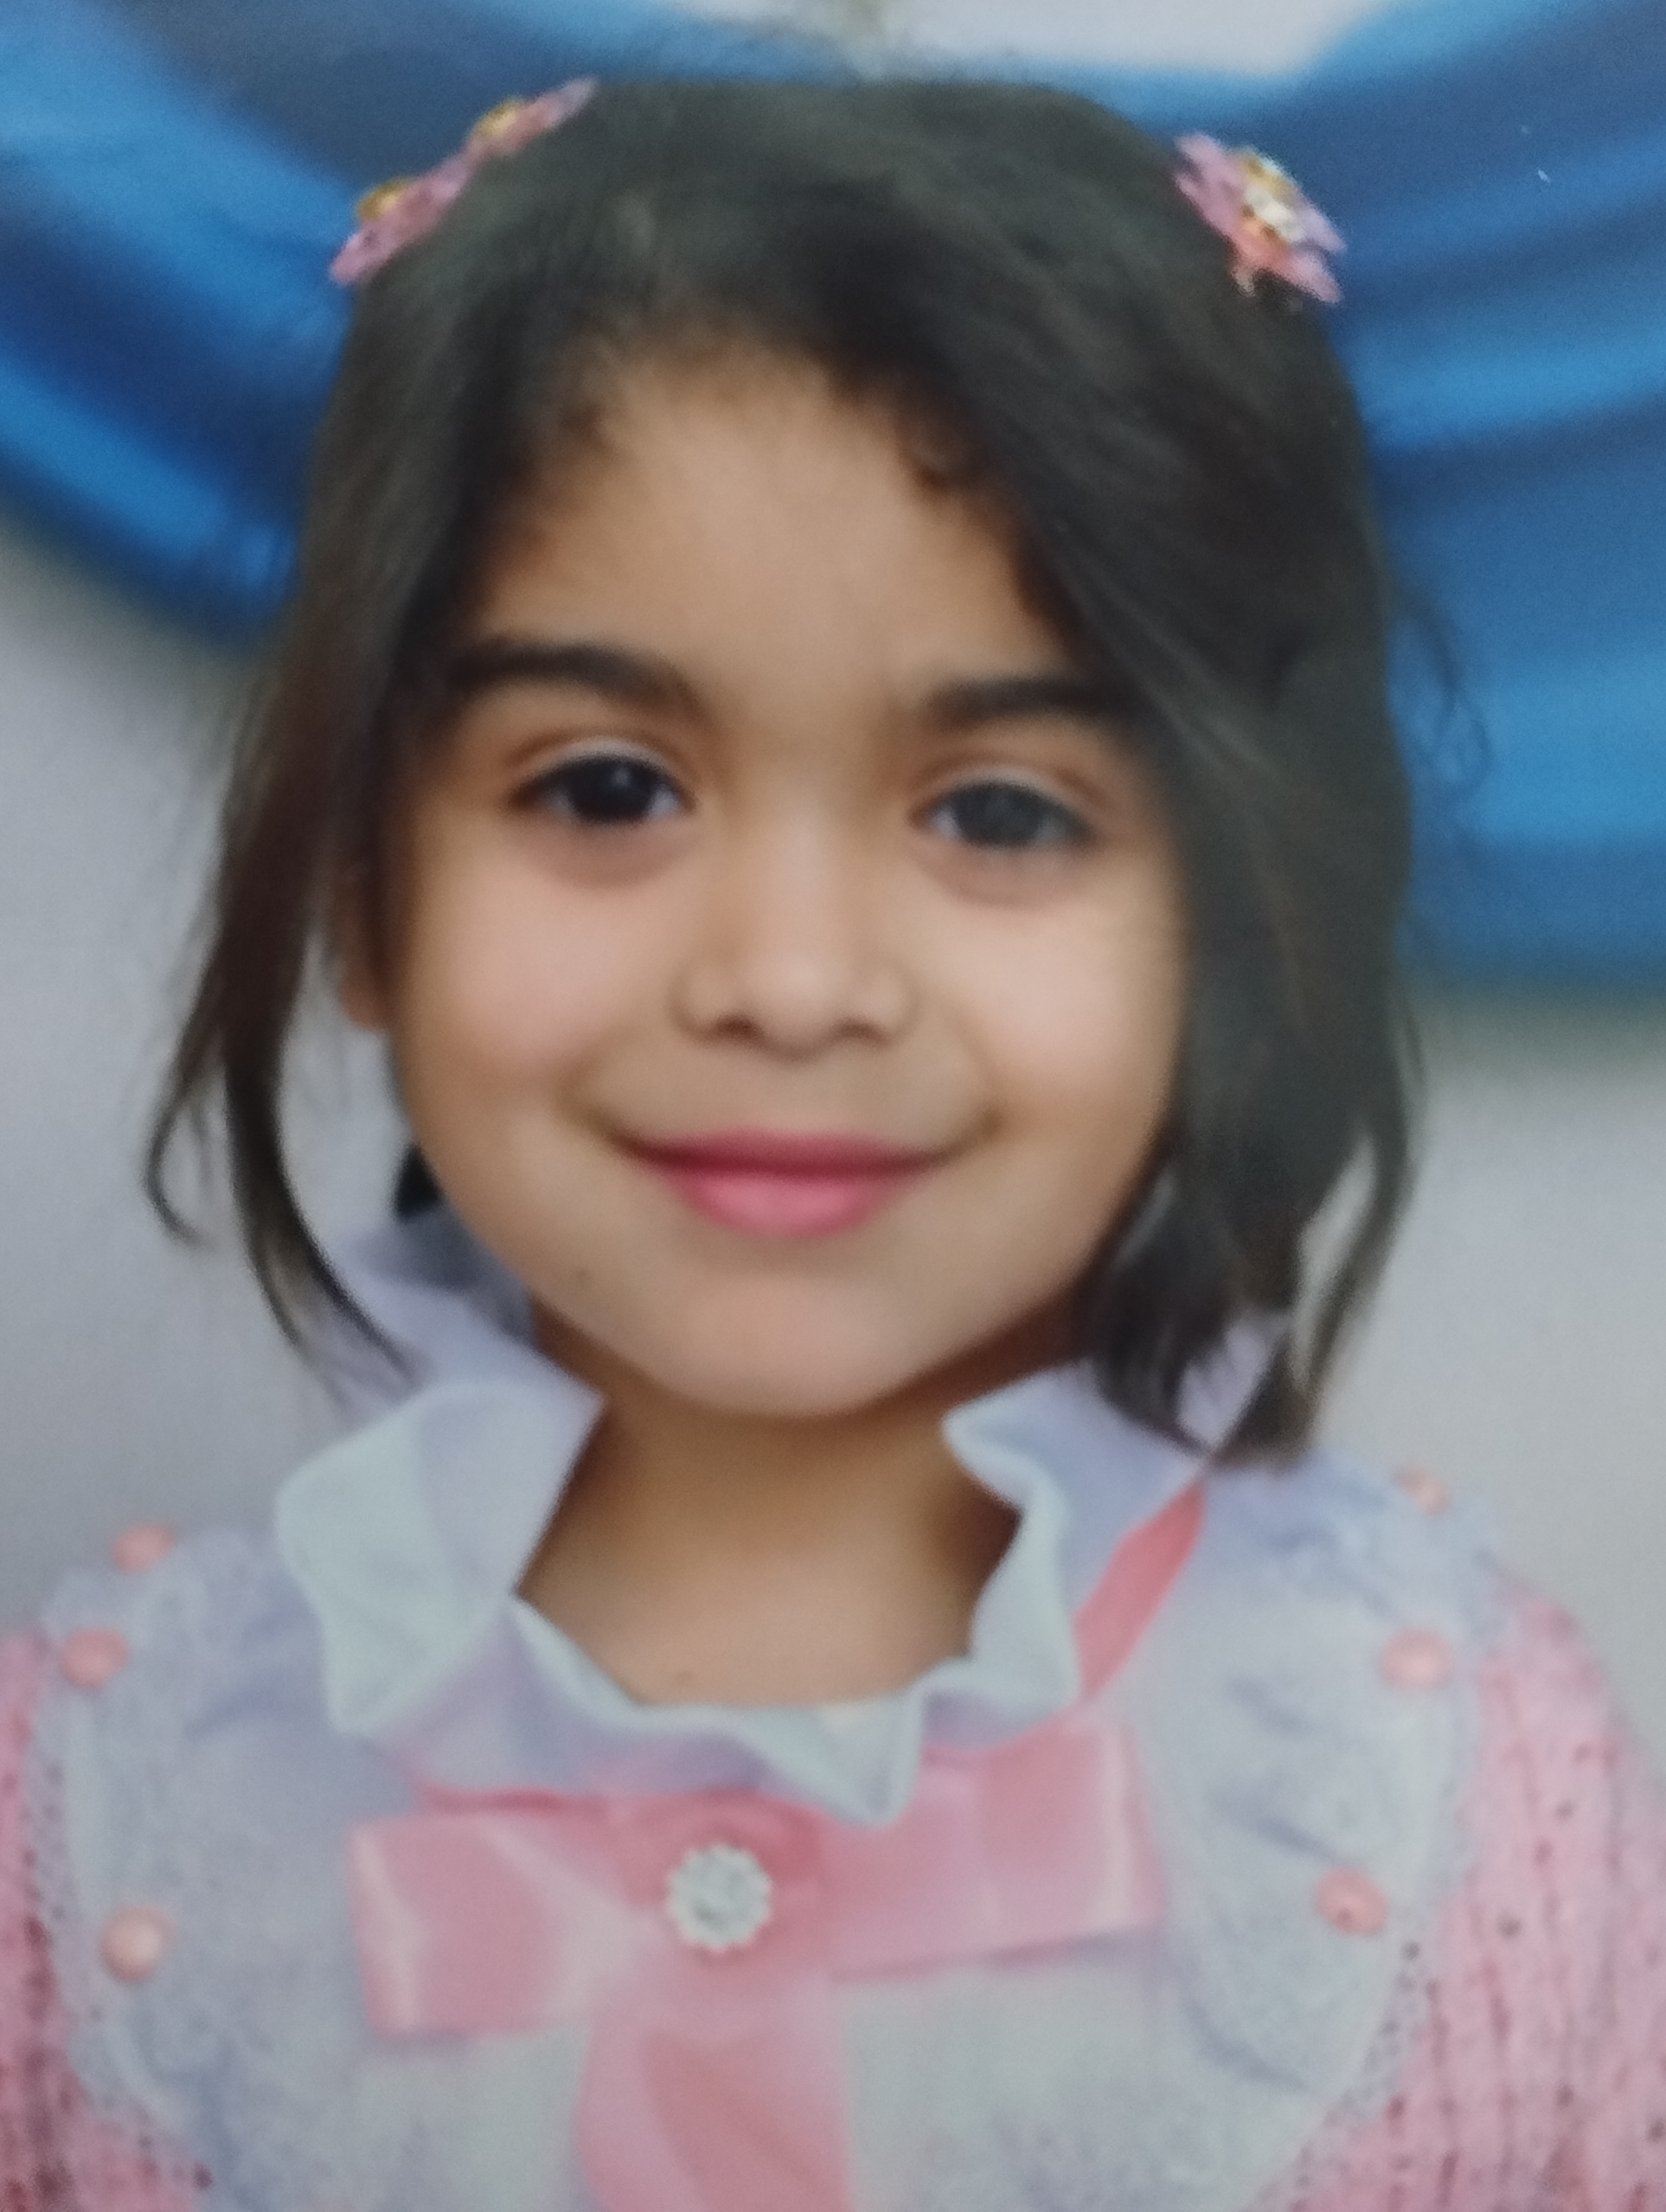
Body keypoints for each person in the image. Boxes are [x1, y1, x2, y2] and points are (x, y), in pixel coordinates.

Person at [1, 74, 1661, 2212]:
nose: (791, 982)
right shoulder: (77, 1840)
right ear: (361, 893)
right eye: (607, 788)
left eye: (1001, 813)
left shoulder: (1471, 1801)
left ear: (1243, 929)